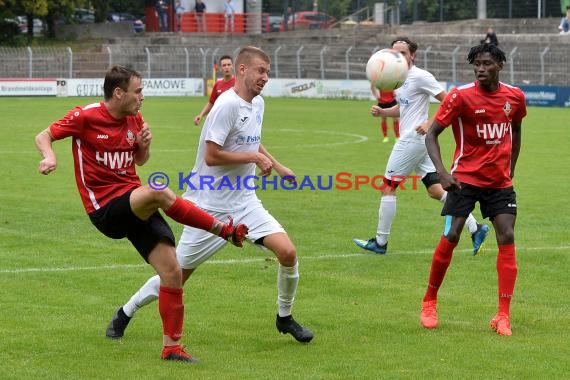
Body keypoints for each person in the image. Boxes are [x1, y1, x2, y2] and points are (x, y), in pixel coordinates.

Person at [35, 65, 248, 363]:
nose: (142, 97)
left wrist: (143, 147)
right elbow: (44, 135)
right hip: (106, 208)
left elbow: (140, 160)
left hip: (134, 201)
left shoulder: (135, 118)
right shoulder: (86, 115)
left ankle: (172, 347)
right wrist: (49, 156)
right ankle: (222, 230)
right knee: (159, 191)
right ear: (118, 92)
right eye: (138, 91)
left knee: (172, 271)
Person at [105, 46, 314, 347]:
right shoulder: (226, 105)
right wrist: (254, 157)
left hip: (245, 202)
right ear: (242, 70)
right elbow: (212, 155)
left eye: (268, 72)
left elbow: (252, 139)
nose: (266, 77)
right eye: (261, 71)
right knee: (175, 275)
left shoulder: (258, 104)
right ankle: (126, 311)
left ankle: (284, 318)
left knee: (288, 253)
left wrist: (278, 165)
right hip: (209, 207)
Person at [419, 43, 526, 336]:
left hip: (499, 182)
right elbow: (432, 134)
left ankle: (503, 315)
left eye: (486, 63)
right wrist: (442, 172)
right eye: (476, 63)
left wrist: (511, 167)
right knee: (452, 234)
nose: (480, 68)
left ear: (499, 66)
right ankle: (429, 301)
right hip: (464, 178)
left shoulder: (514, 97)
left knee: (507, 235)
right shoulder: (460, 96)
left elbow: (516, 129)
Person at [353, 37, 489, 256]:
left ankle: (380, 242)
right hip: (418, 142)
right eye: (394, 53)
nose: (398, 57)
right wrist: (384, 112)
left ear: (412, 55)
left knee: (387, 187)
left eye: (403, 53)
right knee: (436, 190)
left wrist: (430, 123)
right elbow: (405, 108)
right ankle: (477, 228)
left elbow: (449, 101)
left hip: (412, 140)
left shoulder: (420, 76)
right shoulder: (399, 78)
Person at [194, 54, 235, 126]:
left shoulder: (239, 83)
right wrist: (201, 115)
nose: (227, 67)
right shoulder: (218, 84)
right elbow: (211, 103)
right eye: (224, 65)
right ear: (220, 68)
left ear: (233, 66)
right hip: (221, 123)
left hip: (235, 122)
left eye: (229, 65)